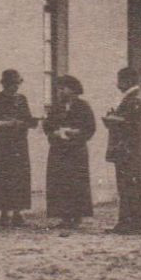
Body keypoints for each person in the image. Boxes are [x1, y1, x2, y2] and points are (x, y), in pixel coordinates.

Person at [41, 74, 96, 231]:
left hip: (76, 151)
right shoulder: (56, 108)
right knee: (59, 182)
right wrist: (55, 133)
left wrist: (76, 133)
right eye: (58, 89)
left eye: (62, 89)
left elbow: (90, 128)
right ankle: (64, 216)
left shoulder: (83, 107)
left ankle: (77, 216)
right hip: (59, 150)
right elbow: (48, 127)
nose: (59, 92)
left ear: (72, 90)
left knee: (76, 182)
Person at [0, 69, 38, 228]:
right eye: (12, 84)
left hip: (19, 143)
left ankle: (18, 213)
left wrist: (32, 122)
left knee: (19, 176)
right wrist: (7, 124)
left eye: (17, 84)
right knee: (3, 176)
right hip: (2, 144)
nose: (15, 87)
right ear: (5, 84)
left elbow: (27, 118)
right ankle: (4, 213)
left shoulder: (22, 99)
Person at [103, 66, 141, 235]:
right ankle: (130, 222)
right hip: (130, 150)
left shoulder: (134, 99)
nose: (117, 84)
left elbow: (130, 125)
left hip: (128, 151)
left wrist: (113, 120)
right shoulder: (133, 98)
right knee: (128, 187)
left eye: (119, 80)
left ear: (127, 81)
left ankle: (130, 223)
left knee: (129, 187)